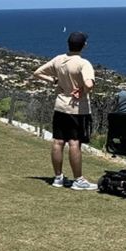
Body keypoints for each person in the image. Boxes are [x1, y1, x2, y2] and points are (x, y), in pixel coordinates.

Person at [33, 32, 97, 190]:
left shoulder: (58, 59)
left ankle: (58, 177)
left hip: (60, 105)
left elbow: (37, 73)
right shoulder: (83, 64)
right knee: (75, 143)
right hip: (77, 109)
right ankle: (78, 180)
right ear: (84, 45)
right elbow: (89, 85)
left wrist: (54, 81)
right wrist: (82, 89)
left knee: (58, 142)